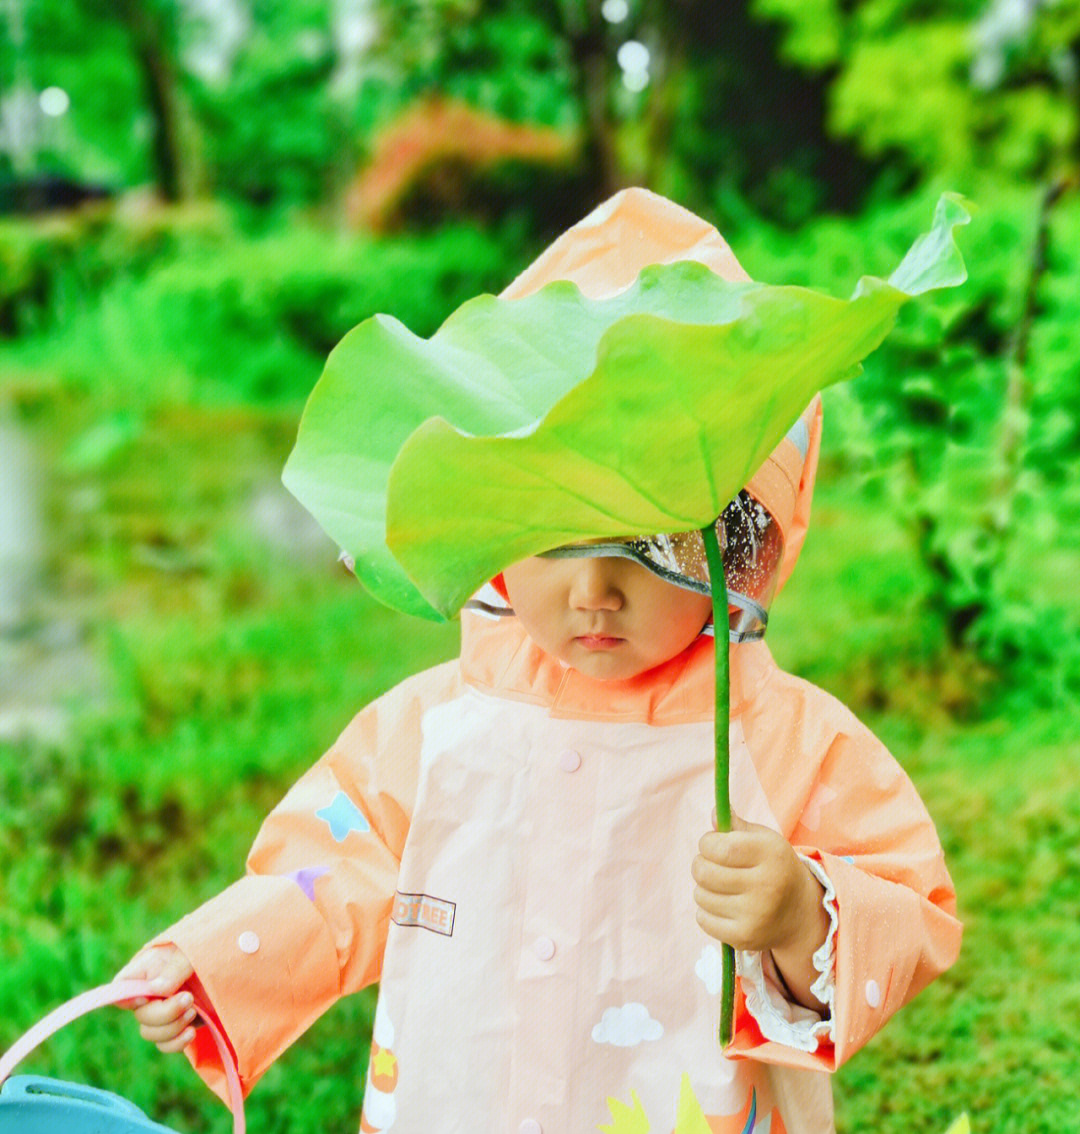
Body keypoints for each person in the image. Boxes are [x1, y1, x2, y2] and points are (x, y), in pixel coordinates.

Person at [116, 189, 961, 1134]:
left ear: (737, 533)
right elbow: (330, 875)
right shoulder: (437, 723)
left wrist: (804, 912)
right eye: (555, 537)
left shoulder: (783, 738)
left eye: (653, 543)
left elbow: (910, 904)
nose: (595, 590)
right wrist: (210, 962)